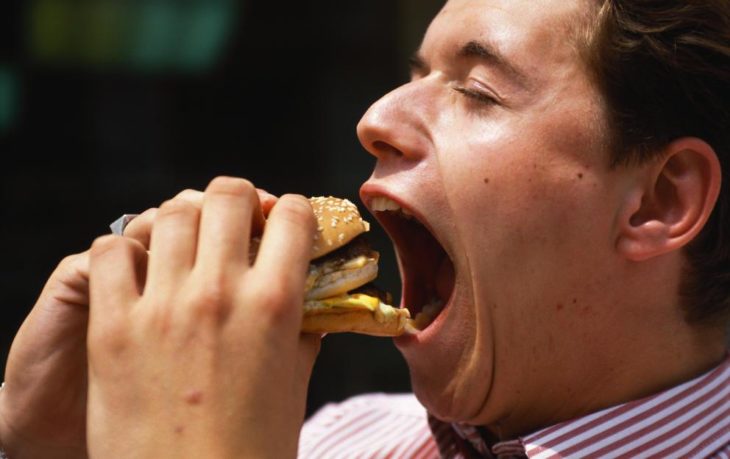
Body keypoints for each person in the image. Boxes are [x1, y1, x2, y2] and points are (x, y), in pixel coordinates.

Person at [1, 0, 729, 457]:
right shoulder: (334, 437)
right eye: (414, 75)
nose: (375, 118)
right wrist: (51, 450)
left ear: (659, 200)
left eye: (477, 92)